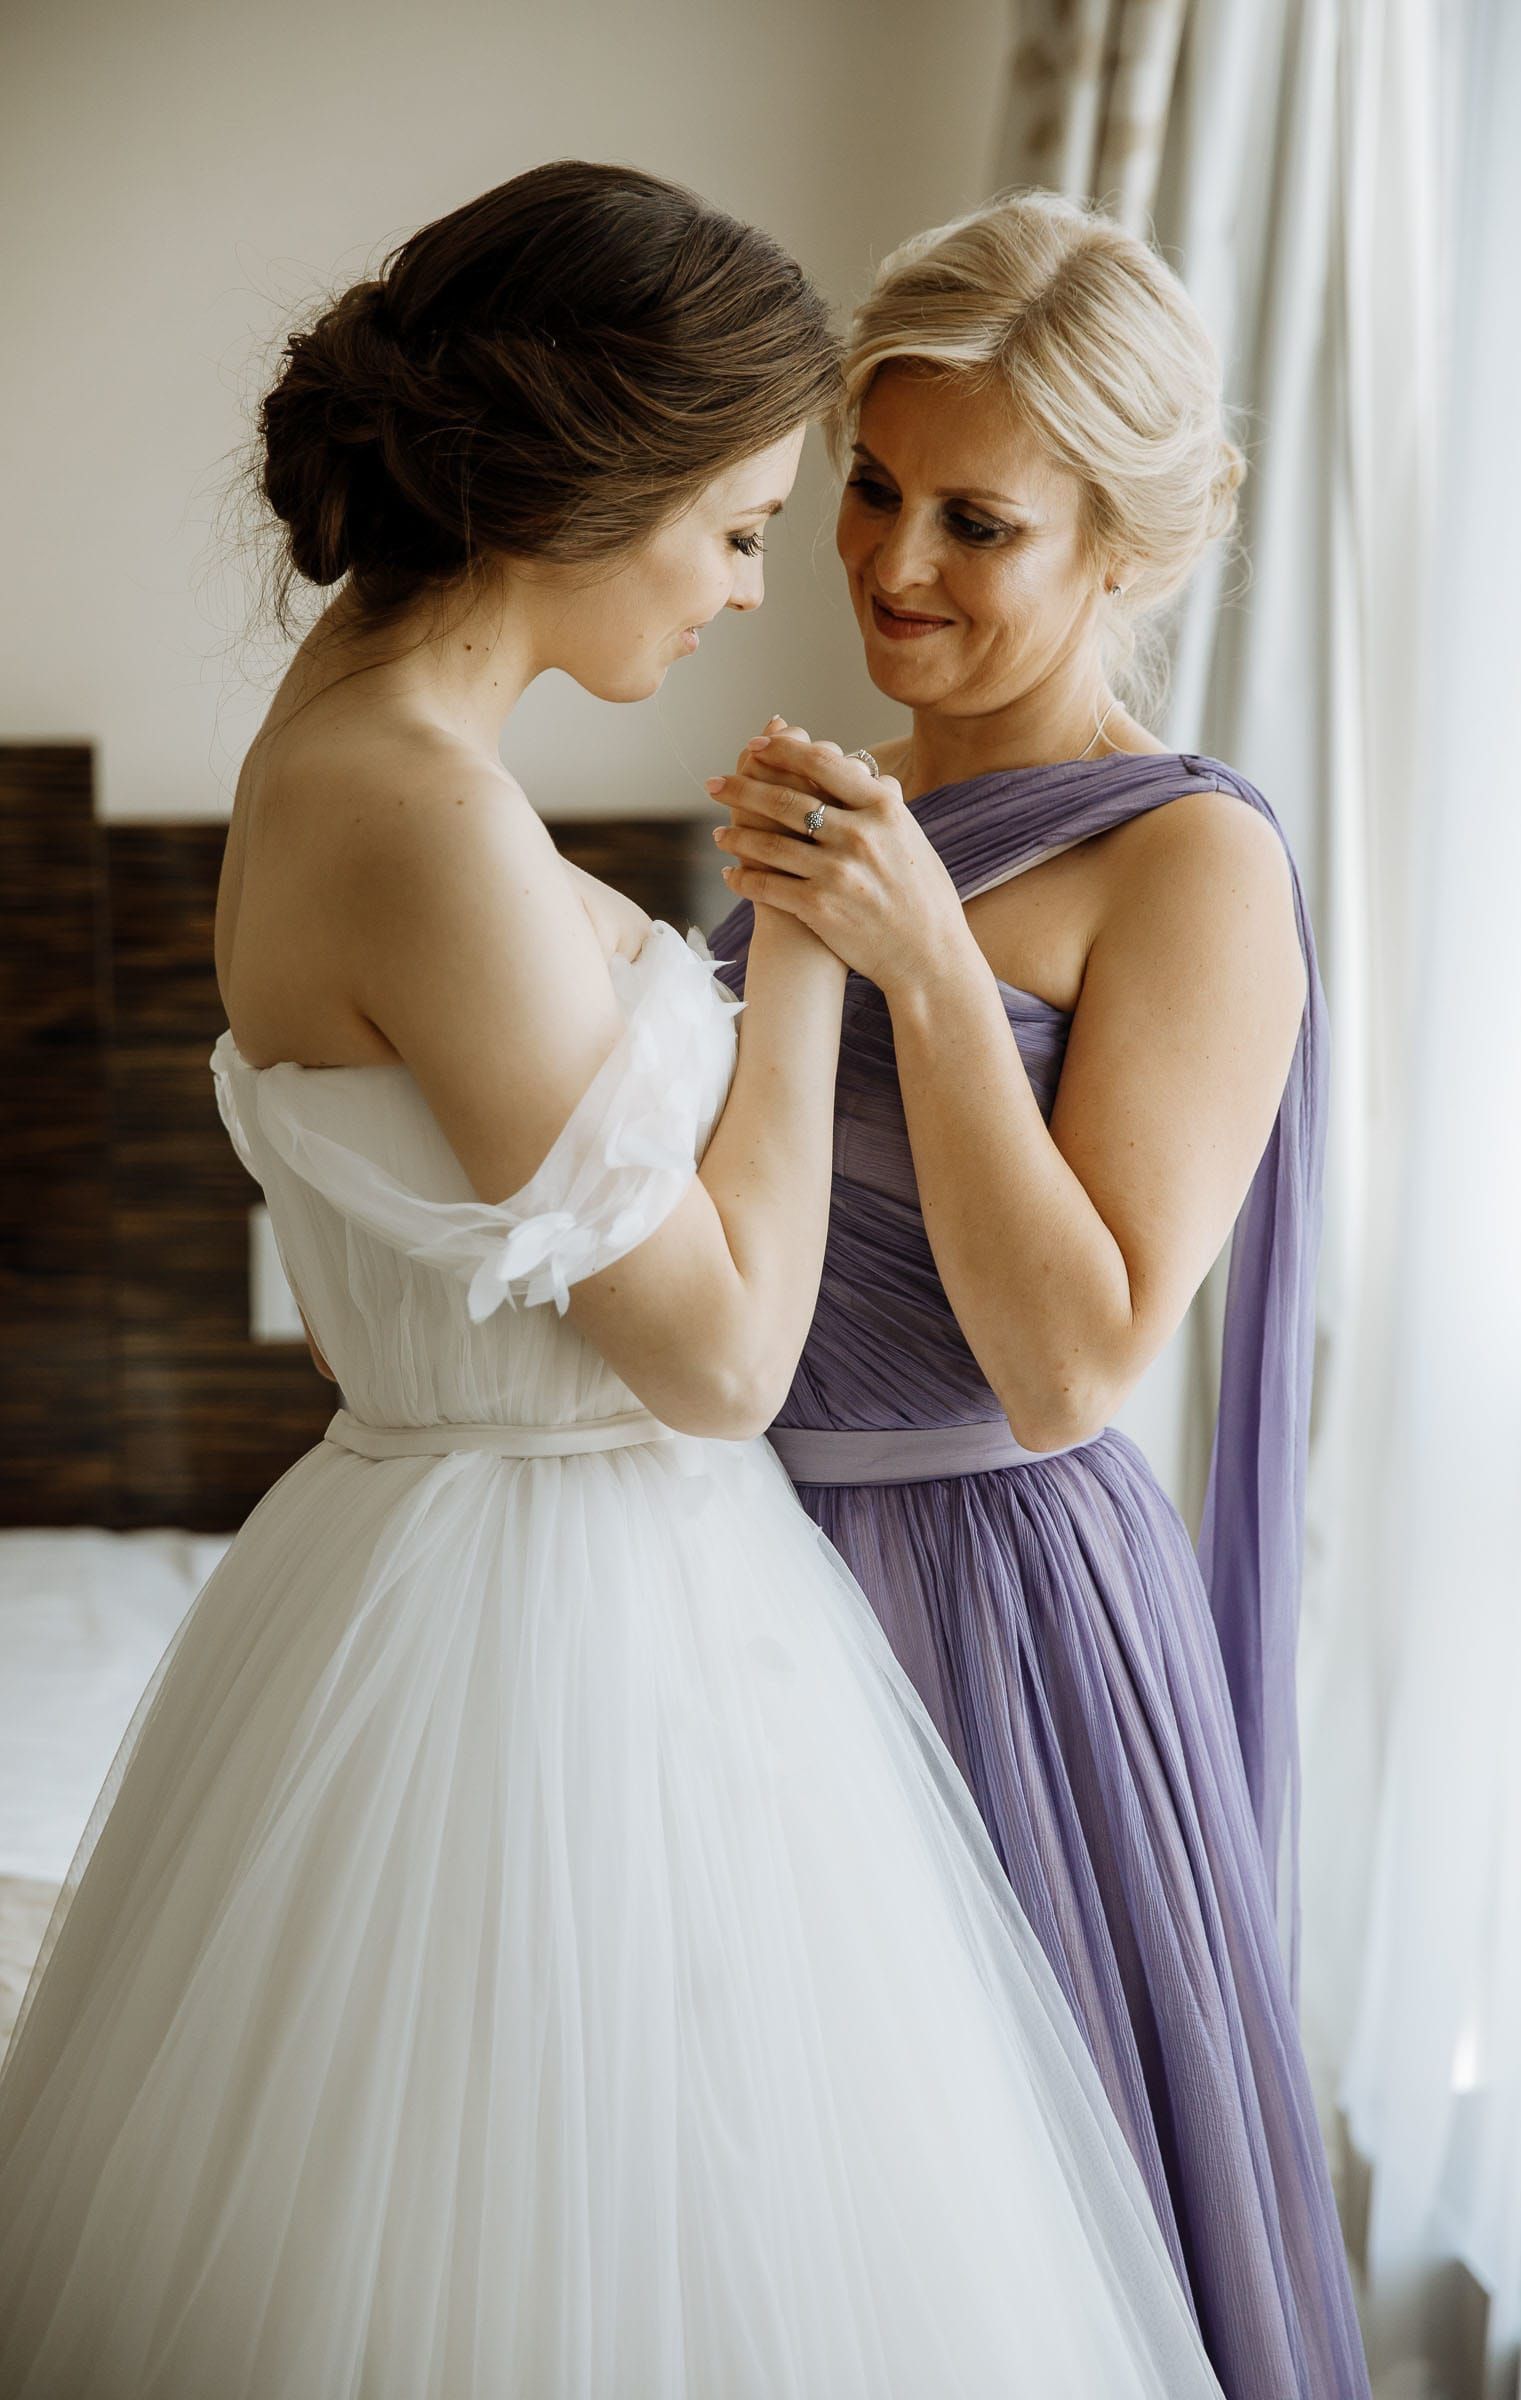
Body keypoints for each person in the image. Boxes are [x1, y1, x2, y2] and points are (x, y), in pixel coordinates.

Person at [0, 164, 1222, 2399]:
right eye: (763, 515)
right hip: (559, 1614)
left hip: (522, 1566)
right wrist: (798, 1000)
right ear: (609, 478)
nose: (781, 579)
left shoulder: (356, 761)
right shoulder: (424, 817)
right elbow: (728, 1358)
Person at [708, 192, 1370, 2400]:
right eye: (871, 489)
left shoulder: (1193, 861)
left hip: (987, 1598)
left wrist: (913, 967)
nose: (888, 564)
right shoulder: (842, 812)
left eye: (971, 521)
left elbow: (1073, 1360)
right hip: (725, 1584)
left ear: (1128, 546)